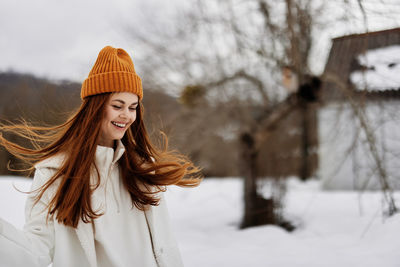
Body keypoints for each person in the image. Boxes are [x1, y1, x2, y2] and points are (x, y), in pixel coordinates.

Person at [0, 46, 202, 267]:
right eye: (117, 106)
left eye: (133, 107)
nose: (126, 115)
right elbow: (36, 251)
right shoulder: (55, 172)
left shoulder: (144, 171)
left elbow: (166, 249)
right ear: (95, 107)